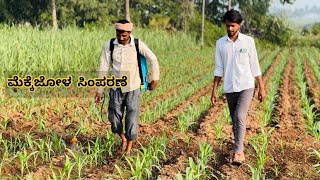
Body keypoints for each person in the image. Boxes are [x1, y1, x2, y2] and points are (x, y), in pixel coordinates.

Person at [95, 19, 160, 156]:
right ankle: (123, 138)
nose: (121, 36)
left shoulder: (137, 44)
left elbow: (153, 58)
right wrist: (99, 90)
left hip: (133, 87)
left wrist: (155, 79)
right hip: (115, 87)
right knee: (114, 118)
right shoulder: (110, 45)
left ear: (129, 32)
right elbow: (103, 66)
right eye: (119, 33)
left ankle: (129, 148)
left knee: (131, 118)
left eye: (124, 34)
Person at [211, 10, 265, 165]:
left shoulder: (248, 42)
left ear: (239, 25)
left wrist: (261, 88)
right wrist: (214, 90)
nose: (230, 29)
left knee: (240, 116)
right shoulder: (220, 44)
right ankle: (238, 145)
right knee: (235, 120)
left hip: (246, 85)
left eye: (233, 26)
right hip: (229, 87)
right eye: (228, 26)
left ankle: (239, 152)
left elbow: (255, 65)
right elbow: (219, 68)